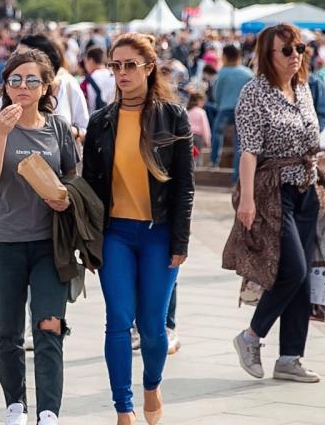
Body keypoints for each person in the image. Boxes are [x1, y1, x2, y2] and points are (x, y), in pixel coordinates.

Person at [83, 33, 193, 425]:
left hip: (159, 234)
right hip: (115, 235)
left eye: (131, 64)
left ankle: (151, 383)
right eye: (116, 65)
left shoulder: (173, 116)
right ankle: (123, 408)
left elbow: (184, 185)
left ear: (149, 67)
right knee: (118, 320)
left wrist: (181, 239)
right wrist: (89, 243)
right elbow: (91, 186)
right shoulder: (101, 122)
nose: (122, 73)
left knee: (152, 326)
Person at [0, 49, 79, 425]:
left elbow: (75, 180)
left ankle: (49, 411)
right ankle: (15, 405)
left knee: (49, 326)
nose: (22, 86)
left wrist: (65, 197)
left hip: (50, 246)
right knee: (8, 331)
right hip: (4, 242)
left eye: (31, 80)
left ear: (46, 86)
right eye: (15, 79)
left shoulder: (58, 128)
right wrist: (3, 132)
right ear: (4, 85)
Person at [230, 25, 324, 385]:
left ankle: (290, 357)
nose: (295, 55)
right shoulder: (254, 93)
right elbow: (249, 150)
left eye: (299, 48)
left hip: (306, 190)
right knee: (292, 271)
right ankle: (252, 336)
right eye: (286, 50)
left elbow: (311, 138)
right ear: (267, 55)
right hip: (273, 193)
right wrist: (248, 200)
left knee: (304, 279)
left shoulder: (303, 89)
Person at [209, 44, 251, 176]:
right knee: (239, 142)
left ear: (225, 57)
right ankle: (236, 176)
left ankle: (214, 161)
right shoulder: (248, 73)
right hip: (242, 110)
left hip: (225, 108)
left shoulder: (222, 72)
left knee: (217, 133)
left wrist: (219, 104)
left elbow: (216, 92)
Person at [83, 46, 115, 112]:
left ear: (91, 61)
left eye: (85, 62)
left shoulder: (87, 81)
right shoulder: (113, 76)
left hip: (94, 118)